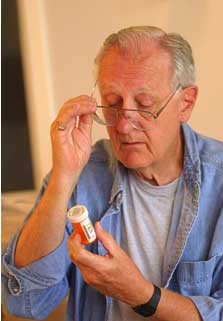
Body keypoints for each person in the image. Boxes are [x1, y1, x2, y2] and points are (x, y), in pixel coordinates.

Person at [2, 26, 223, 321]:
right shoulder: (85, 173)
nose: (121, 126)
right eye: (113, 103)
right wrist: (63, 177)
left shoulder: (218, 181)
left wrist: (142, 295)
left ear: (186, 103)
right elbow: (26, 300)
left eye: (144, 106)